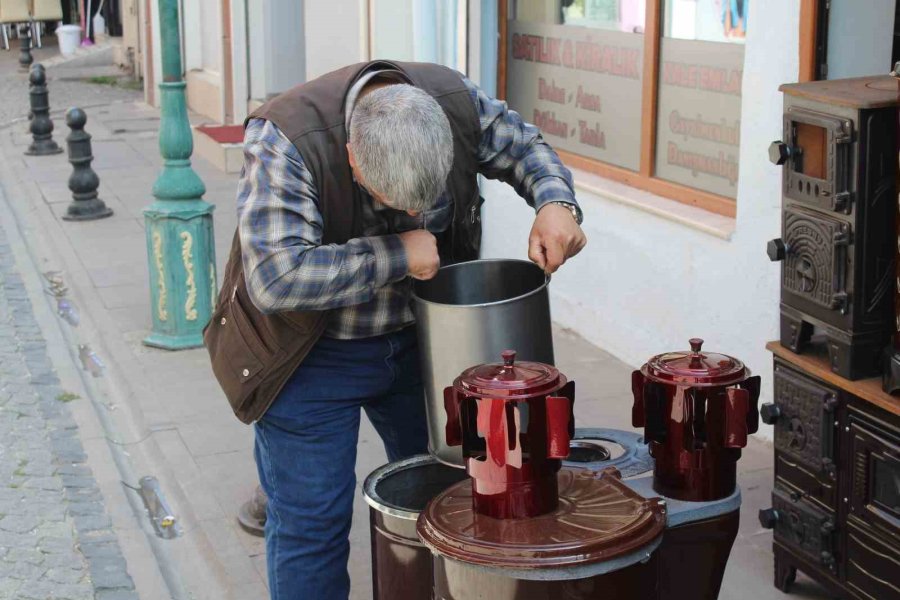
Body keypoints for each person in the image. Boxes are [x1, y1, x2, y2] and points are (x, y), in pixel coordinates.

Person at [204, 60, 586, 600]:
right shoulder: (286, 138)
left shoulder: (454, 104)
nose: (414, 214)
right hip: (309, 356)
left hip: (422, 344)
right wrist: (395, 254)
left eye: (425, 204)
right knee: (311, 525)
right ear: (353, 159)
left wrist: (556, 200)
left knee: (452, 496)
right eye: (395, 203)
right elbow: (275, 278)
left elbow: (525, 147)